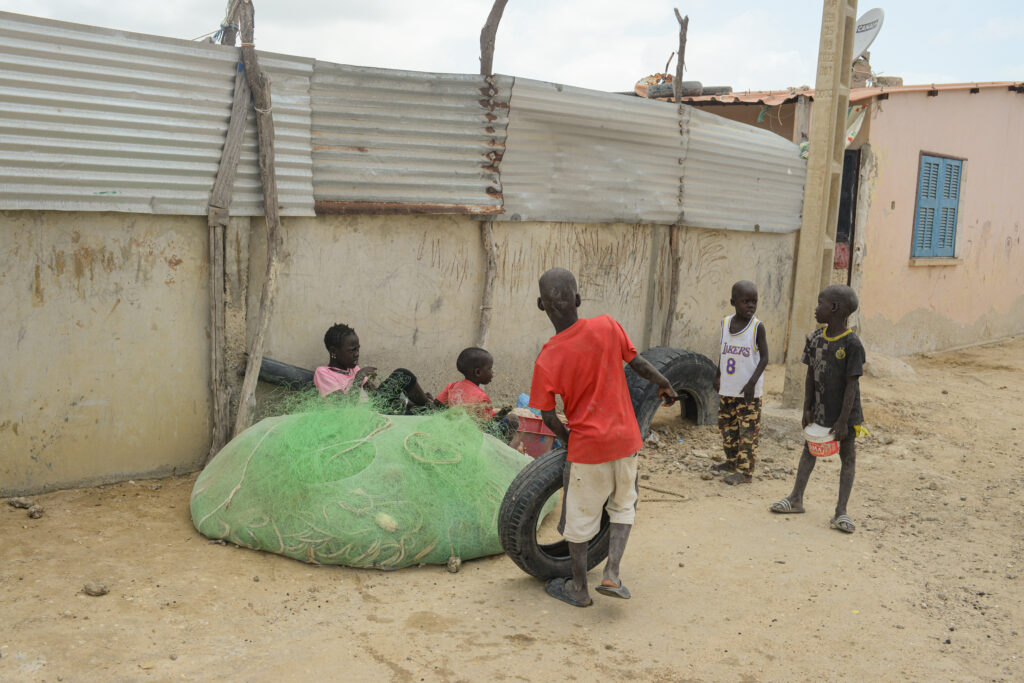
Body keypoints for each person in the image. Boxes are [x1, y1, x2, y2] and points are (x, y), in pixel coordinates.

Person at [528, 268, 674, 607]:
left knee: (579, 520)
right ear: (579, 300)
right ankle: (612, 573)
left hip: (587, 450)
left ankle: (579, 589)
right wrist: (664, 382)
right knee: (623, 506)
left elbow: (547, 415)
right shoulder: (608, 326)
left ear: (541, 305)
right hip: (626, 441)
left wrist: (567, 439)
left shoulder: (547, 359)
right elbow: (637, 363)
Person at [770, 285, 866, 534]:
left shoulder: (852, 344)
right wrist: (806, 408)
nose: (816, 308)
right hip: (820, 409)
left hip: (845, 413)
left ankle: (841, 511)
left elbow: (852, 385)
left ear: (833, 308)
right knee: (809, 451)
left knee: (848, 457)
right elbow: (810, 375)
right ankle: (795, 498)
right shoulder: (814, 338)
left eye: (819, 303)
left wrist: (844, 420)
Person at [713, 281, 769, 485]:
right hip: (728, 389)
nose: (751, 306)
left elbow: (764, 358)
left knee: (747, 432)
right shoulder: (725, 323)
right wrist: (717, 374)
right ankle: (731, 462)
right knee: (727, 427)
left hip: (748, 393)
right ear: (733, 302)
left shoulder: (757, 327)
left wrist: (752, 383)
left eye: (754, 302)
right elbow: (723, 351)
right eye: (746, 301)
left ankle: (745, 472)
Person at [313, 322, 433, 414]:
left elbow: (377, 395)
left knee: (414, 409)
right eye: (352, 350)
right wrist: (359, 378)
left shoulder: (352, 368)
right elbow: (344, 408)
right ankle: (429, 406)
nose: (357, 354)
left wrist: (409, 402)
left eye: (358, 349)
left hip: (378, 409)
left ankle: (428, 406)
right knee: (402, 375)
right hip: (361, 417)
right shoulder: (323, 373)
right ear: (334, 351)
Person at [436, 347, 520, 441]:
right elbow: (487, 427)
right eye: (490, 368)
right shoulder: (482, 397)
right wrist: (503, 413)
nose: (492, 372)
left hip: (452, 432)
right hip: (472, 438)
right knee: (513, 419)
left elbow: (436, 406)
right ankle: (499, 451)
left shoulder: (452, 386)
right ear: (478, 372)